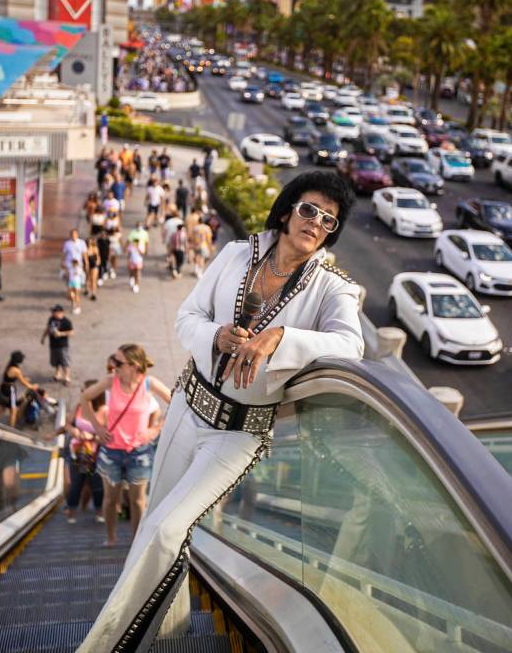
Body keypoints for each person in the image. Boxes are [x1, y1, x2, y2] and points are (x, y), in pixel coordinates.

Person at [77, 171, 364, 652]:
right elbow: (186, 316)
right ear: (288, 208)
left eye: (328, 220)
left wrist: (282, 338)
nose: (315, 223)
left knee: (170, 529)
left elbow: (350, 345)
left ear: (332, 232)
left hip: (238, 434)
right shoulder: (236, 255)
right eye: (309, 210)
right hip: (187, 408)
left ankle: (106, 644)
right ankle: (165, 628)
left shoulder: (331, 288)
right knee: (152, 527)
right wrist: (214, 335)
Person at [80, 344, 171, 549]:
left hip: (139, 452)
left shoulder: (149, 384)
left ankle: (135, 541)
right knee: (111, 499)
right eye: (113, 360)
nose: (113, 366)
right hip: (111, 451)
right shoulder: (110, 381)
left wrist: (155, 430)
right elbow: (85, 397)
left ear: (133, 365)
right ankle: (111, 537)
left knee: (138, 501)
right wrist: (97, 427)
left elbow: (176, 402)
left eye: (118, 362)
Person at [65, 382, 107, 525]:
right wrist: (73, 431)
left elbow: (110, 435)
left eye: (85, 390)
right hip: (77, 452)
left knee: (97, 484)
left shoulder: (105, 411)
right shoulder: (78, 407)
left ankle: (99, 511)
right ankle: (71, 512)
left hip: (96, 454)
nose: (82, 392)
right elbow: (67, 423)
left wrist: (92, 437)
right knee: (76, 484)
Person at [0, 351, 39, 427]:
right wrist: (33, 386)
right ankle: (11, 429)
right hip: (10, 390)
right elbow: (25, 383)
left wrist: (23, 378)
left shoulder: (10, 365)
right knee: (13, 410)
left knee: (2, 409)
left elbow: (12, 377)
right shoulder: (16, 370)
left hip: (4, 388)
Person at [41, 305, 73, 384]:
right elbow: (48, 328)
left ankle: (67, 377)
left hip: (63, 345)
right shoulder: (51, 319)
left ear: (61, 312)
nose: (53, 313)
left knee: (65, 361)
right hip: (53, 344)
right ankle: (57, 374)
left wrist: (61, 334)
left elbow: (71, 332)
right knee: (56, 361)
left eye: (54, 312)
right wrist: (43, 337)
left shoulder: (66, 321)